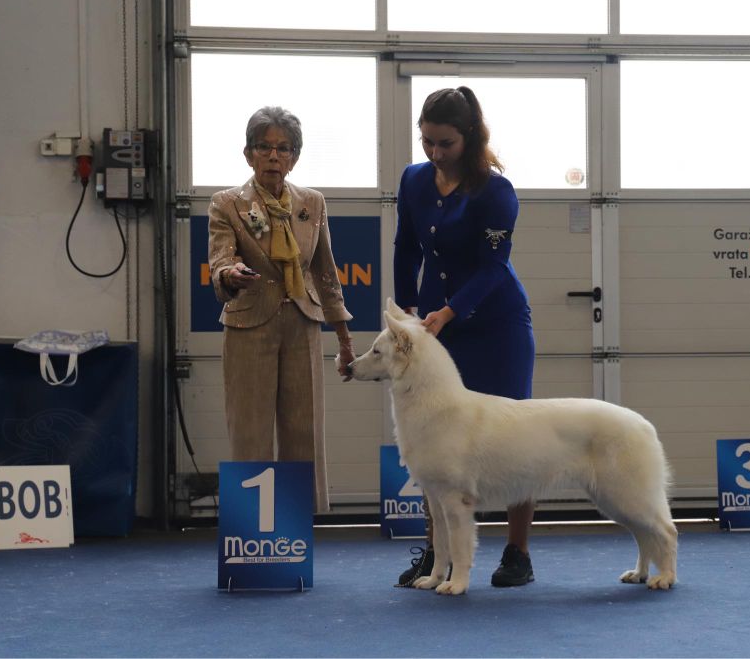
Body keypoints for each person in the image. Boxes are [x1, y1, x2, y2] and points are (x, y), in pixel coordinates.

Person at [392, 86, 537, 587]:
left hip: (494, 324)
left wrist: (450, 311)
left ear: (469, 138)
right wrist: (406, 309)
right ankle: (436, 554)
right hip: (434, 323)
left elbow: (494, 266)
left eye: (444, 143)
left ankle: (516, 552)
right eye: (426, 141)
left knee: (516, 436)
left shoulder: (495, 191)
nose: (433, 152)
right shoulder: (413, 181)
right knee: (435, 443)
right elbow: (405, 247)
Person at [208, 105, 356, 513]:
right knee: (249, 431)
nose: (273, 156)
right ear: (248, 154)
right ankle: (251, 530)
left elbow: (326, 275)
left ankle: (295, 533)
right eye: (264, 147)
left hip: (303, 324)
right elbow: (220, 259)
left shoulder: (313, 204)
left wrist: (344, 342)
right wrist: (229, 274)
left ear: (295, 156)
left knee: (304, 432)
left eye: (283, 148)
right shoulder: (226, 204)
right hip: (248, 323)